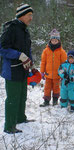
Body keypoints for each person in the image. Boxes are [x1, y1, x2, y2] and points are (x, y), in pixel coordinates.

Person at [0, 3, 35, 134]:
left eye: (31, 15)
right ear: (21, 15)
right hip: (12, 70)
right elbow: (2, 49)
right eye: (29, 15)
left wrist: (31, 62)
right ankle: (9, 126)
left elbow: (27, 48)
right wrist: (19, 55)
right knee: (13, 99)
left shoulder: (24, 29)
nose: (31, 18)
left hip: (23, 70)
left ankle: (20, 118)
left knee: (22, 96)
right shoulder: (11, 29)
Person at [40, 29, 67, 107]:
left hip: (57, 74)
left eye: (56, 40)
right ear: (50, 40)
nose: (54, 42)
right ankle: (46, 101)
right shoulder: (46, 51)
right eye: (53, 40)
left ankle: (55, 101)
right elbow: (43, 62)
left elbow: (64, 63)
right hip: (48, 74)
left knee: (56, 88)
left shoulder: (61, 51)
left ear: (58, 41)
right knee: (47, 88)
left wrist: (63, 73)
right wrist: (42, 72)